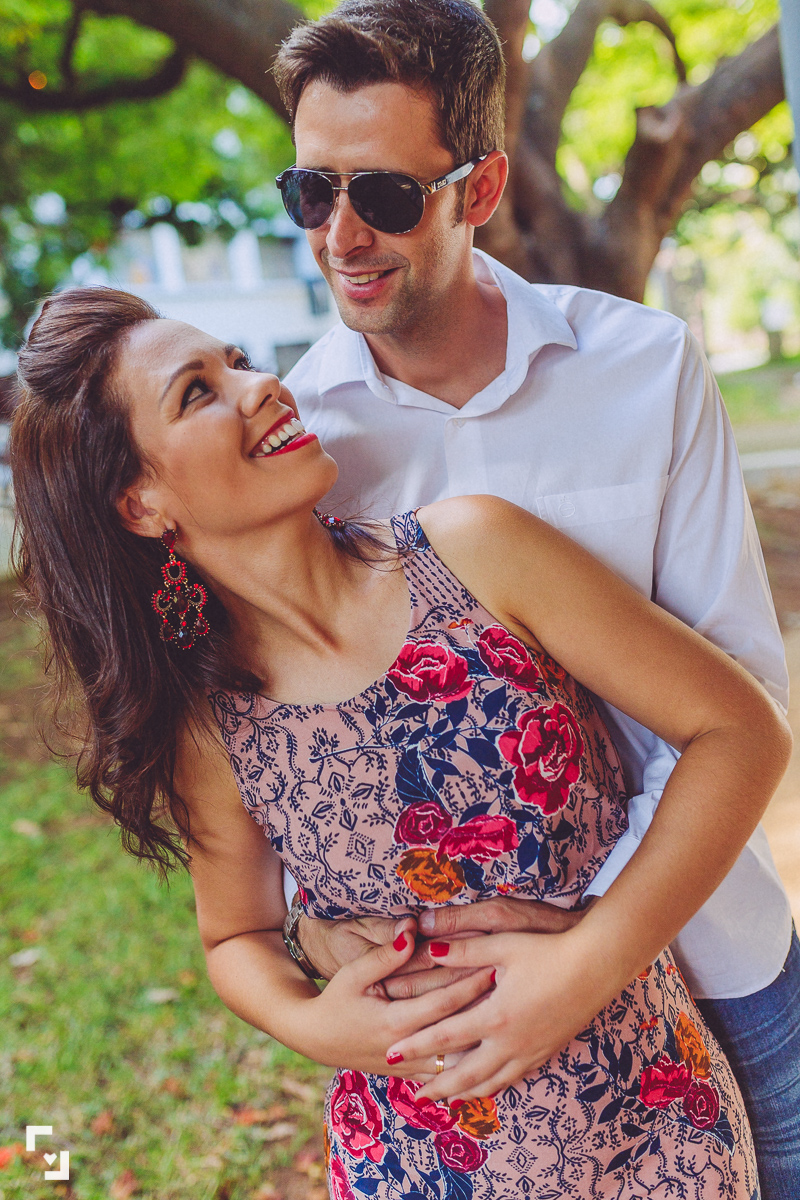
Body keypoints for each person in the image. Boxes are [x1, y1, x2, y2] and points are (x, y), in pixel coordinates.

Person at [11, 287, 791, 1197]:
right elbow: (237, 936)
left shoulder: (476, 551)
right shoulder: (210, 720)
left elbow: (741, 730)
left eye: (238, 361)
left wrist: (593, 962)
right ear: (140, 504)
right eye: (198, 391)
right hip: (413, 1161)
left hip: (650, 1121)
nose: (262, 386)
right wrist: (316, 1028)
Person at [272, 1, 800, 1191]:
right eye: (311, 192)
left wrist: (591, 948)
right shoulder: (298, 443)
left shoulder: (645, 368)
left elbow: (739, 706)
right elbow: (301, 732)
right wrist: (317, 924)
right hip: (474, 1023)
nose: (340, 236)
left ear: (480, 187)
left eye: (385, 197)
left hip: (713, 955)